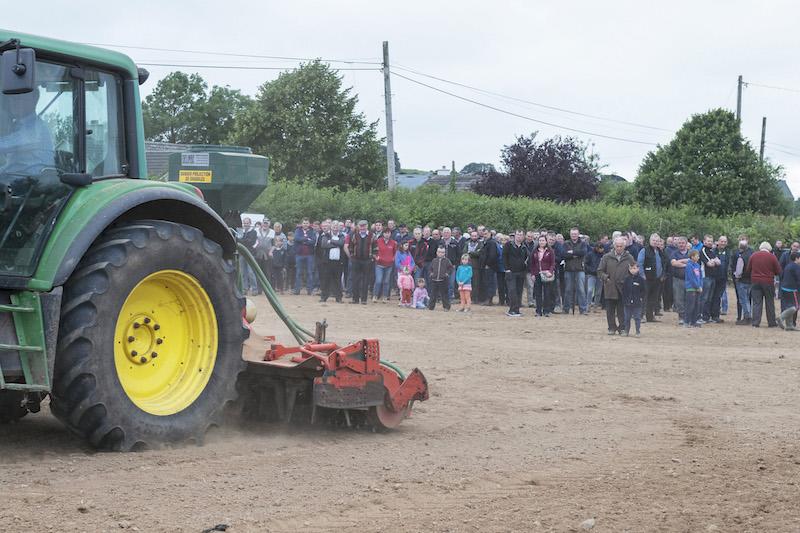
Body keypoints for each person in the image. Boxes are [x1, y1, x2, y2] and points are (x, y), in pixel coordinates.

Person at [0, 89, 55, 177]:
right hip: (18, 179)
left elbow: (6, 145)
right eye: (11, 99)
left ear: (33, 101)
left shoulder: (35, 128)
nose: (12, 103)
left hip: (34, 184)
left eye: (18, 99)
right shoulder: (18, 126)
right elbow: (11, 166)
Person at [597, 237, 635, 335]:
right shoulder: (606, 257)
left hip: (623, 288)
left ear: (624, 246)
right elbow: (600, 271)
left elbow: (634, 270)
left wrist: (630, 279)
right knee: (610, 310)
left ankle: (622, 328)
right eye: (617, 246)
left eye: (621, 246)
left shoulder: (629, 257)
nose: (619, 248)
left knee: (622, 310)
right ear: (614, 246)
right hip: (610, 287)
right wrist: (606, 278)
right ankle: (611, 328)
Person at [745, 242, 782, 328]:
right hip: (768, 282)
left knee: (757, 302)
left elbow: (748, 269)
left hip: (755, 281)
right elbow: (778, 270)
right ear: (769, 249)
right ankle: (771, 322)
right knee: (769, 302)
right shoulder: (772, 257)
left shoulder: (753, 255)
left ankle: (755, 322)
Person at [637, 233, 667, 323]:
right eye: (653, 240)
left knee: (653, 299)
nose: (655, 242)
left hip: (657, 279)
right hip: (646, 279)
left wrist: (663, 275)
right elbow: (640, 263)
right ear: (650, 241)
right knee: (644, 298)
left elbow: (664, 264)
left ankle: (650, 317)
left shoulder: (660, 251)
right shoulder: (644, 250)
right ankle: (641, 316)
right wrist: (642, 275)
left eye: (657, 241)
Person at [345, 220, 372, 305]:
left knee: (365, 280)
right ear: (358, 227)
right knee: (355, 280)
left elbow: (375, 248)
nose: (362, 227)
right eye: (361, 226)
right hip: (356, 260)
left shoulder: (372, 236)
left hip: (367, 261)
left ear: (367, 226)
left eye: (364, 226)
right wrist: (352, 257)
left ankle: (364, 299)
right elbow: (350, 247)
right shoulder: (354, 235)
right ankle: (355, 299)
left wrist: (372, 258)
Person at [562, 227, 589, 315]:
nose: (574, 235)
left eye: (575, 234)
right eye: (572, 234)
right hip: (568, 269)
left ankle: (583, 309)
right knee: (568, 290)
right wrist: (575, 253)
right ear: (570, 234)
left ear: (578, 234)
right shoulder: (566, 243)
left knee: (581, 289)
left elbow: (583, 252)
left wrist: (572, 252)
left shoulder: (583, 243)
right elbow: (564, 255)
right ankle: (566, 309)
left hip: (580, 269)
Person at [318, 221, 346, 303]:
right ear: (331, 226)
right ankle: (324, 297)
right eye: (333, 225)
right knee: (326, 280)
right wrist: (336, 244)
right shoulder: (326, 235)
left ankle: (339, 298)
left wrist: (331, 242)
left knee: (337, 280)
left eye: (337, 226)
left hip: (338, 262)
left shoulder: (341, 235)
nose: (335, 227)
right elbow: (324, 245)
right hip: (327, 262)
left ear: (339, 227)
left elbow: (341, 243)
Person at [503, 230, 528, 317]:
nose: (519, 236)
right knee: (512, 291)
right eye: (517, 235)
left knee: (519, 291)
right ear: (515, 235)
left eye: (521, 235)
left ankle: (516, 310)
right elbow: (504, 257)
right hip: (511, 272)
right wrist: (507, 269)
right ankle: (512, 310)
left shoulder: (524, 247)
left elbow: (526, 258)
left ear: (523, 236)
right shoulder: (508, 245)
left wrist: (524, 268)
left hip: (521, 272)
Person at [530, 235, 556, 317]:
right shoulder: (534, 251)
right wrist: (533, 274)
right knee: (538, 293)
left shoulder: (550, 251)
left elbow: (553, 263)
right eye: (540, 240)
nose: (541, 242)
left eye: (543, 240)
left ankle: (546, 311)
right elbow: (532, 264)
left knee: (547, 293)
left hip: (546, 274)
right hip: (537, 273)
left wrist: (550, 271)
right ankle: (538, 311)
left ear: (546, 241)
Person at [731, 236, 753, 325]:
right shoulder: (752, 254)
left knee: (743, 299)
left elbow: (739, 271)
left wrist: (736, 276)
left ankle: (747, 316)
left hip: (742, 280)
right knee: (748, 298)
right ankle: (748, 316)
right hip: (750, 279)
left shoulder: (741, 257)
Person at [670, 237, 691, 325]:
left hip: (690, 280)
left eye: (683, 243)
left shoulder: (691, 253)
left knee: (689, 298)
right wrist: (686, 264)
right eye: (680, 243)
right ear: (677, 244)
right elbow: (673, 263)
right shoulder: (674, 253)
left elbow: (694, 261)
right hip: (677, 279)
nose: (681, 244)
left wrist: (681, 261)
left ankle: (688, 317)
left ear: (686, 244)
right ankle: (681, 317)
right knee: (679, 298)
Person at [372, 228, 397, 302]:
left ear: (390, 234)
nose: (387, 234)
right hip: (379, 265)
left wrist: (393, 258)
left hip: (389, 265)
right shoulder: (378, 241)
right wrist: (376, 257)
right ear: (383, 234)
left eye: (388, 233)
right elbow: (373, 251)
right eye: (385, 233)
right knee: (378, 281)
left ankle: (385, 297)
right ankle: (375, 296)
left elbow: (396, 252)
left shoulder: (393, 243)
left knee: (386, 281)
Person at [293, 218, 316, 295]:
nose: (305, 224)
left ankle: (310, 290)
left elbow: (313, 241)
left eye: (307, 223)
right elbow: (296, 238)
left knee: (310, 272)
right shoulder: (297, 230)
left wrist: (302, 241)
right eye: (304, 223)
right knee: (298, 272)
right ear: (301, 224)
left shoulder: (312, 231)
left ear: (309, 224)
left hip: (309, 255)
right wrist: (306, 239)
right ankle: (297, 290)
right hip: (299, 255)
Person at [777, 252, 800, 330]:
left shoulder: (788, 266)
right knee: (796, 306)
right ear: (797, 258)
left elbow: (782, 275)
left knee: (789, 306)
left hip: (784, 288)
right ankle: (781, 317)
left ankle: (789, 325)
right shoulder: (796, 267)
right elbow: (798, 279)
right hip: (792, 289)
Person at [237, 216, 259, 296]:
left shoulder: (253, 232)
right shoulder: (241, 232)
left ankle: (254, 289)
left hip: (250, 254)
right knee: (243, 272)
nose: (246, 224)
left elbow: (251, 242)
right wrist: (244, 241)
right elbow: (238, 240)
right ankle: (244, 289)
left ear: (250, 223)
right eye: (245, 223)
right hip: (242, 253)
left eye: (247, 223)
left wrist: (242, 240)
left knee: (250, 272)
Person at [427, 247, 453, 311]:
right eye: (439, 252)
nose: (440, 253)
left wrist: (447, 274)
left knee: (444, 295)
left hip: (443, 280)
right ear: (437, 252)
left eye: (442, 252)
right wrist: (431, 274)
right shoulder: (434, 260)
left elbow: (450, 268)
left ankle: (446, 307)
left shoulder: (447, 261)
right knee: (433, 294)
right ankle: (431, 307)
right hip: (434, 280)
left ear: (444, 253)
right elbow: (430, 268)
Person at [622, 262, 644, 337]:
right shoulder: (626, 279)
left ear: (638, 269)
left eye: (634, 268)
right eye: (631, 268)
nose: (633, 270)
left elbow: (643, 291)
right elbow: (624, 290)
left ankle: (638, 331)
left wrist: (641, 298)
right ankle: (626, 331)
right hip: (627, 303)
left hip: (637, 303)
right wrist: (624, 300)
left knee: (637, 318)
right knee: (627, 318)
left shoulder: (641, 280)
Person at [684, 249, 703, 328]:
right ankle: (687, 321)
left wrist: (700, 286)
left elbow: (700, 277)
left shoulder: (697, 265)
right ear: (692, 257)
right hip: (691, 288)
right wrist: (697, 286)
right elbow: (691, 278)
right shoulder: (689, 265)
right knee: (690, 305)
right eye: (696, 256)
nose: (698, 257)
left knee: (696, 305)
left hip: (698, 288)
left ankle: (693, 321)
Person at [585, 241, 605, 310]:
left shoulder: (604, 256)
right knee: (590, 290)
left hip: (600, 275)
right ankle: (588, 305)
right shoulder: (590, 254)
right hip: (591, 274)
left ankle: (595, 306)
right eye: (600, 248)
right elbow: (586, 264)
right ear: (596, 248)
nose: (601, 249)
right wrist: (591, 270)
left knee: (598, 292)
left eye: (602, 248)